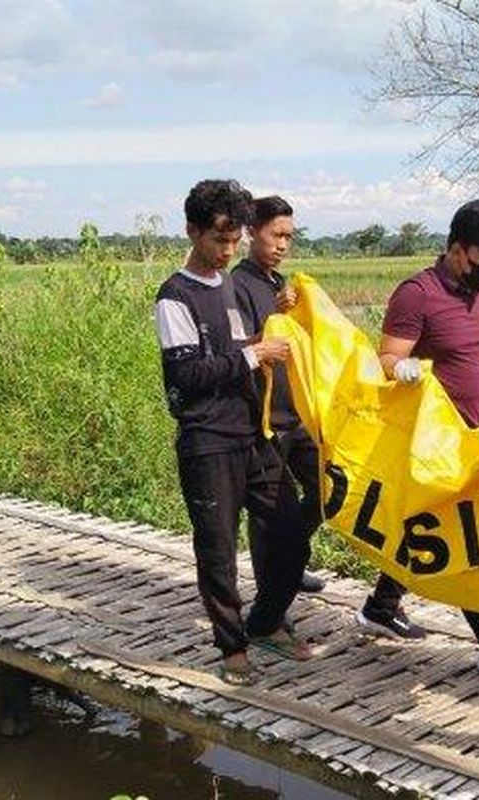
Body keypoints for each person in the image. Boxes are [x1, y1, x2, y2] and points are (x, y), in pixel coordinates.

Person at [353, 199, 479, 690]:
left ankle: (380, 607)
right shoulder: (417, 294)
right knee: (462, 542)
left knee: (426, 531)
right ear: (455, 250)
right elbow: (385, 358)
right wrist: (399, 368)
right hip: (428, 449)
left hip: (469, 438)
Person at [153, 179, 313, 686]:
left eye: (234, 241)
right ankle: (232, 647)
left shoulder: (231, 286)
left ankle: (264, 621)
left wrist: (269, 331)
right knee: (218, 549)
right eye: (219, 240)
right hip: (208, 442)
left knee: (291, 533)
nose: (227, 251)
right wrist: (252, 354)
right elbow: (187, 375)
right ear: (193, 231)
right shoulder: (174, 296)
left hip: (253, 434)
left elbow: (242, 342)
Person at [231, 195, 325, 596]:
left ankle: (291, 556)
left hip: (295, 411)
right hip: (262, 415)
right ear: (253, 232)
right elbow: (238, 349)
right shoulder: (238, 285)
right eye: (277, 235)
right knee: (268, 511)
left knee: (328, 485)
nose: (284, 245)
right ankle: (274, 577)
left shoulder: (278, 283)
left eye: (289, 236)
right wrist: (276, 312)